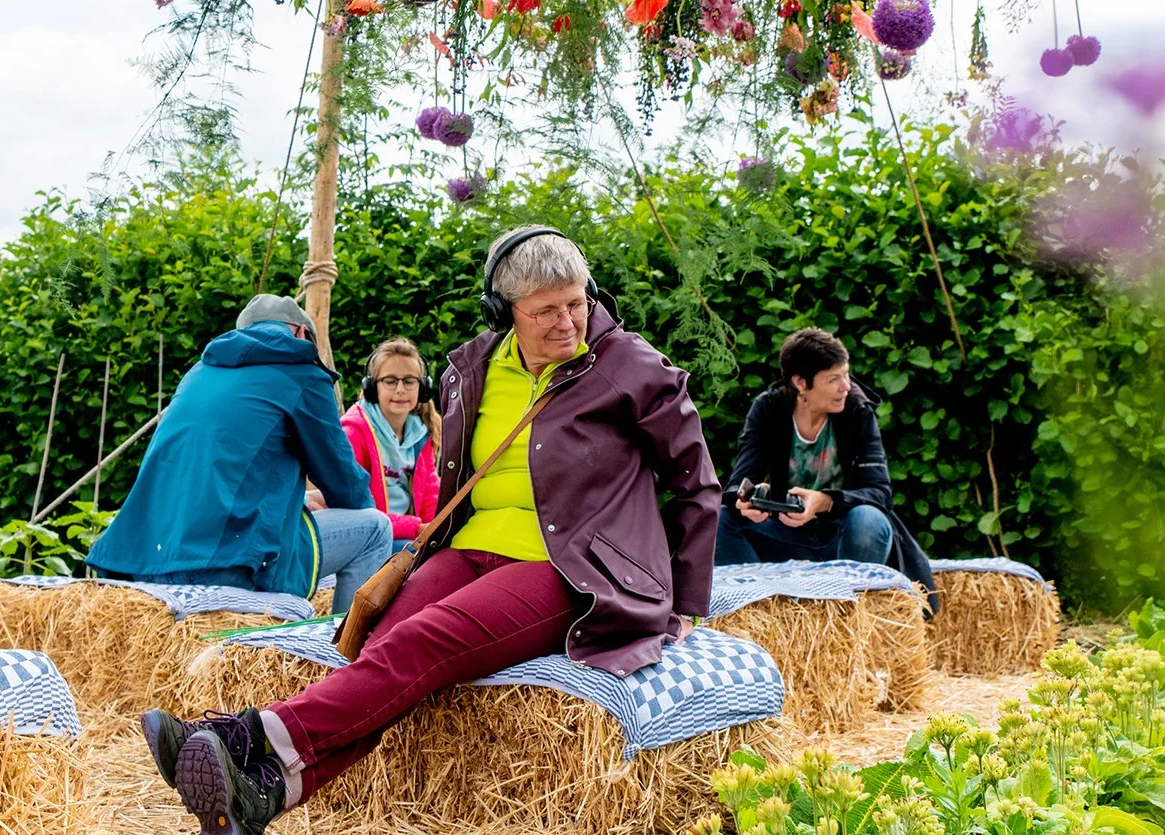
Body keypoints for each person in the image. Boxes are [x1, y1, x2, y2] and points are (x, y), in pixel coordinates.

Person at [139, 227, 721, 835]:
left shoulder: (632, 366)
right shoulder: (472, 367)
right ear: (504, 312)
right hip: (467, 550)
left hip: (567, 567)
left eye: (577, 303)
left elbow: (696, 483)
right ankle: (264, 796)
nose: (568, 322)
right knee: (383, 650)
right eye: (545, 310)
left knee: (425, 642)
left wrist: (683, 602)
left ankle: (242, 733)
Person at [87, 294, 392, 613]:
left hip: (147, 563)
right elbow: (343, 481)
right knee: (375, 529)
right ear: (301, 334)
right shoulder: (301, 372)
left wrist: (299, 505)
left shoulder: (198, 374)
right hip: (229, 561)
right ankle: (345, 659)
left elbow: (218, 480)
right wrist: (353, 509)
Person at [715, 327, 933, 593]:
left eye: (845, 374)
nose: (846, 386)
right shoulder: (768, 408)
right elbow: (739, 483)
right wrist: (748, 501)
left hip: (845, 537)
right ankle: (761, 606)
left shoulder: (857, 411)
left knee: (868, 519)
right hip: (785, 534)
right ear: (801, 383)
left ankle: (851, 614)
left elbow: (880, 493)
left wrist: (824, 502)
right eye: (833, 379)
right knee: (718, 520)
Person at [341, 339, 441, 547]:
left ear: (422, 387)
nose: (400, 389)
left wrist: (433, 532)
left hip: (408, 534)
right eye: (390, 381)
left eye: (409, 381)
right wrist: (415, 528)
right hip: (369, 538)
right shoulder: (354, 433)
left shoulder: (420, 435)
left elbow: (431, 494)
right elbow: (354, 508)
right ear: (371, 387)